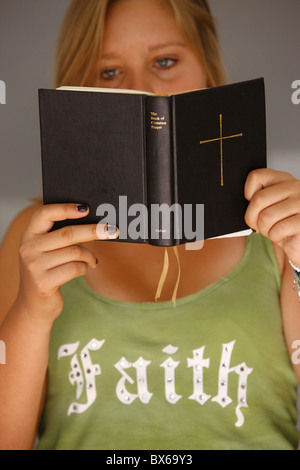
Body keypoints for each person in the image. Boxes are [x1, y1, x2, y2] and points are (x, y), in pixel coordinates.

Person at [0, 0, 300, 451]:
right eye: (107, 72)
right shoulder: (35, 239)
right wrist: (30, 311)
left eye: (165, 61)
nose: (138, 90)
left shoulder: (275, 239)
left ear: (208, 70)